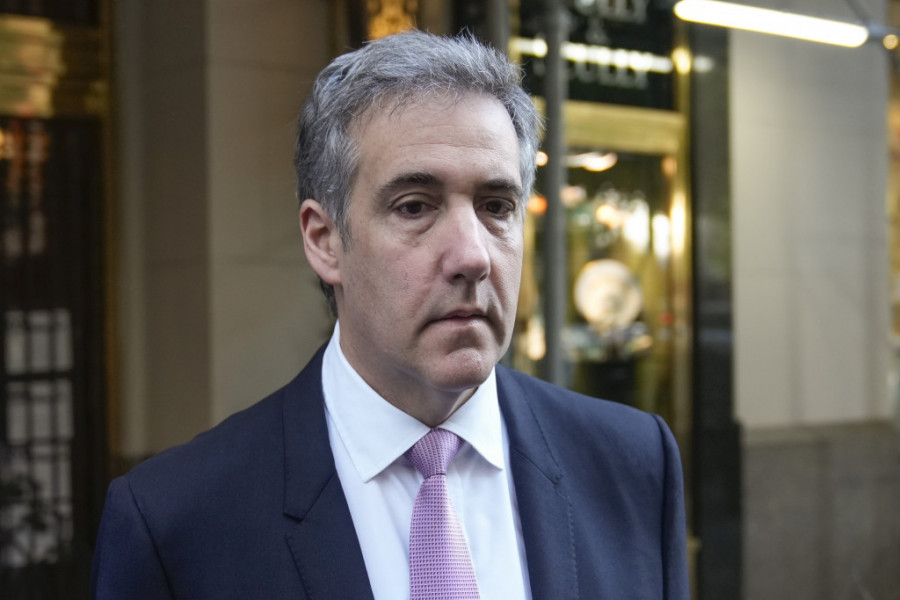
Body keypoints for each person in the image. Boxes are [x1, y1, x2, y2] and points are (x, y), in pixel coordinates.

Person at [91, 30, 688, 600]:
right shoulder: (178, 522)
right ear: (325, 240)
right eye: (414, 207)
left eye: (496, 206)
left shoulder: (633, 464)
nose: (473, 256)